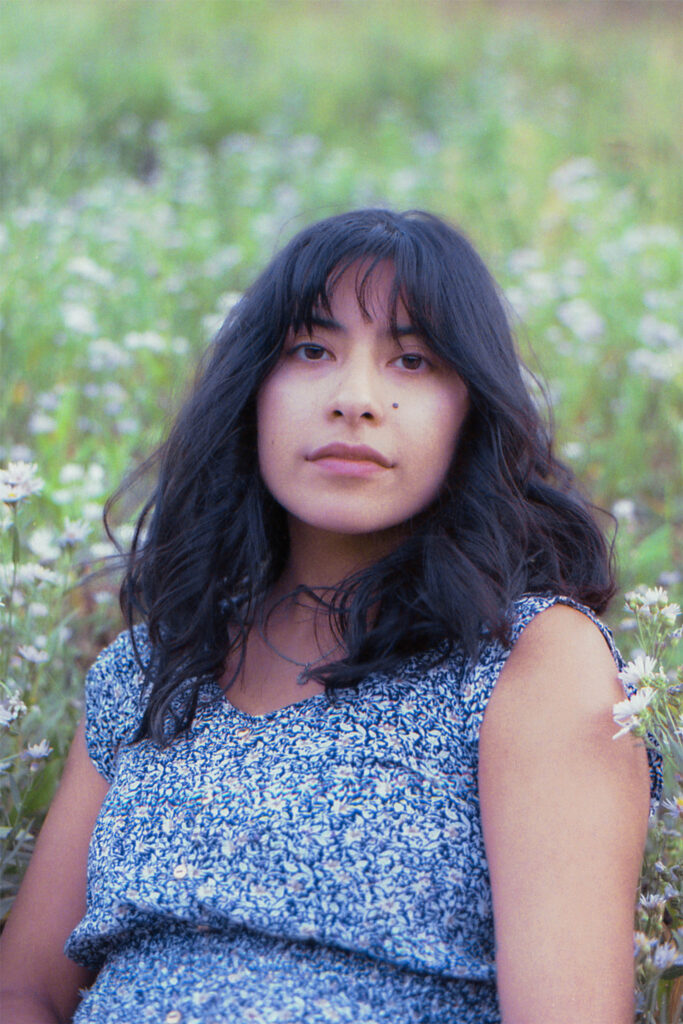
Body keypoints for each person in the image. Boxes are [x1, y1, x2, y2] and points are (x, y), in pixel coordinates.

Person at [0, 209, 660, 1024]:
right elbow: (24, 990)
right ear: (253, 389)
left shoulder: (528, 661)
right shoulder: (149, 669)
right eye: (311, 350)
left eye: (412, 360)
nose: (355, 399)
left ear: (470, 413)